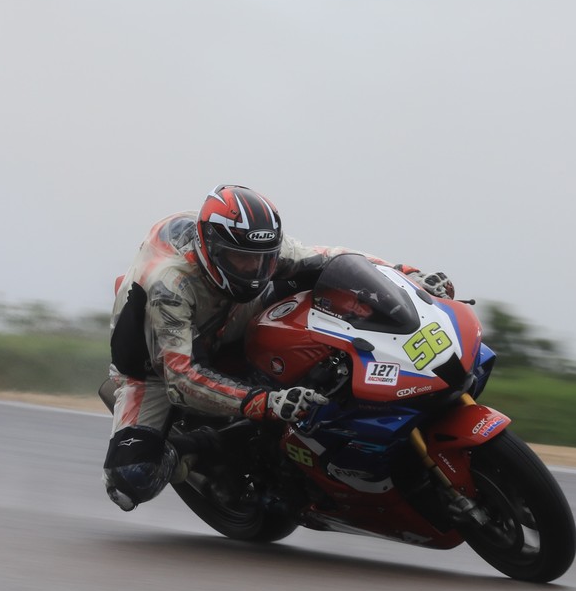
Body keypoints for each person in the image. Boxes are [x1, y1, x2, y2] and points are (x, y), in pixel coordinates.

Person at [100, 184, 454, 512]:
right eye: (240, 259)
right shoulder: (170, 285)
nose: (253, 268)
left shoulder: (256, 247)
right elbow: (182, 379)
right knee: (131, 480)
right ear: (211, 249)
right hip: (155, 369)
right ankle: (191, 449)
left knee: (320, 284)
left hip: (232, 318)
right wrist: (267, 403)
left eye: (262, 258)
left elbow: (333, 259)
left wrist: (406, 275)